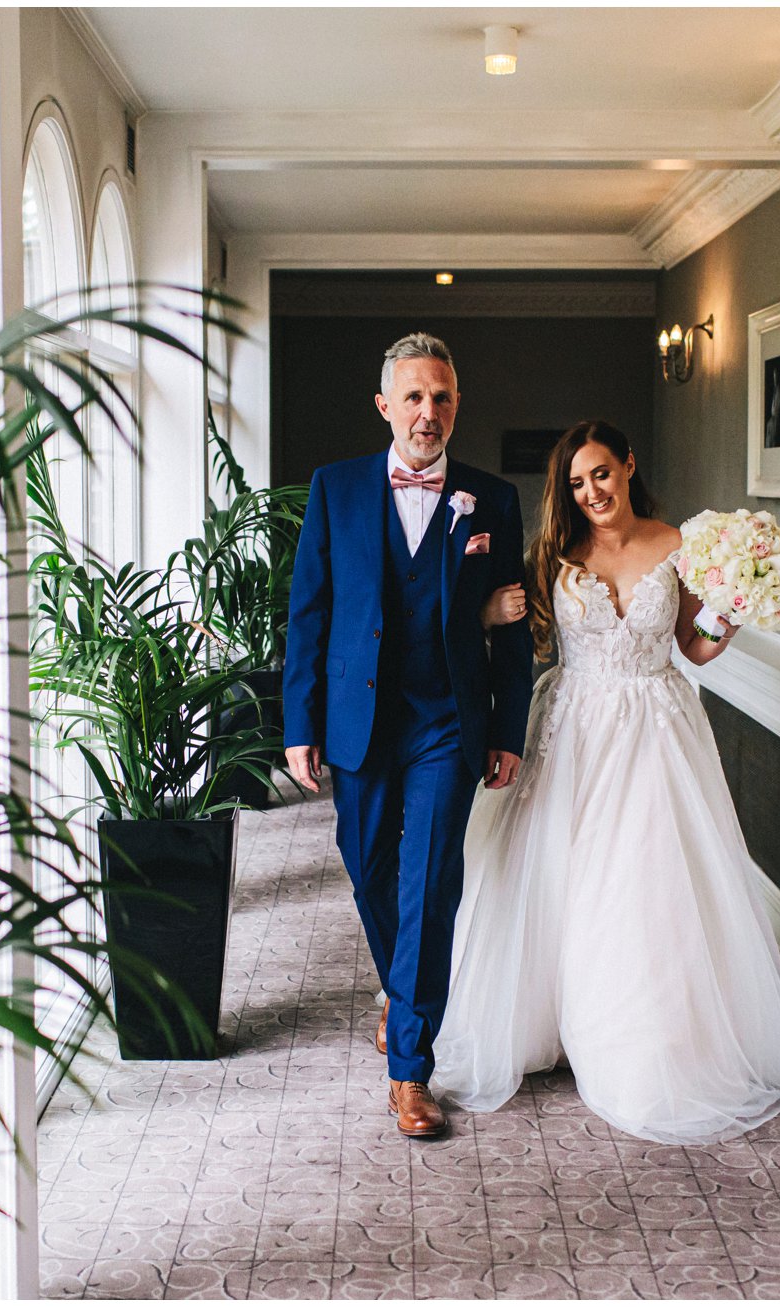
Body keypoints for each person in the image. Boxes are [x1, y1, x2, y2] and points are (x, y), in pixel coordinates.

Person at [433, 419, 780, 1144]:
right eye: (577, 482)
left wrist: (728, 616)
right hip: (574, 726)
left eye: (601, 473)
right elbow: (516, 636)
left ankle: (640, 1040)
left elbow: (694, 649)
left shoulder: (679, 546)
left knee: (641, 881)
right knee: (557, 873)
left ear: (629, 465)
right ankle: (546, 1018)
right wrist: (485, 614)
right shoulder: (555, 553)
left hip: (655, 728)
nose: (591, 491)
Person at [282, 332, 534, 1138]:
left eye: (444, 397)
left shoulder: (491, 499)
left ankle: (412, 1070)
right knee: (369, 868)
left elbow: (514, 627)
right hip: (359, 721)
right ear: (386, 404)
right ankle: (403, 985)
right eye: (416, 397)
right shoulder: (337, 488)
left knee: (431, 882)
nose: (430, 413)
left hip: (446, 722)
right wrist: (300, 722)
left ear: (458, 405)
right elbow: (309, 613)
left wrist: (508, 727)